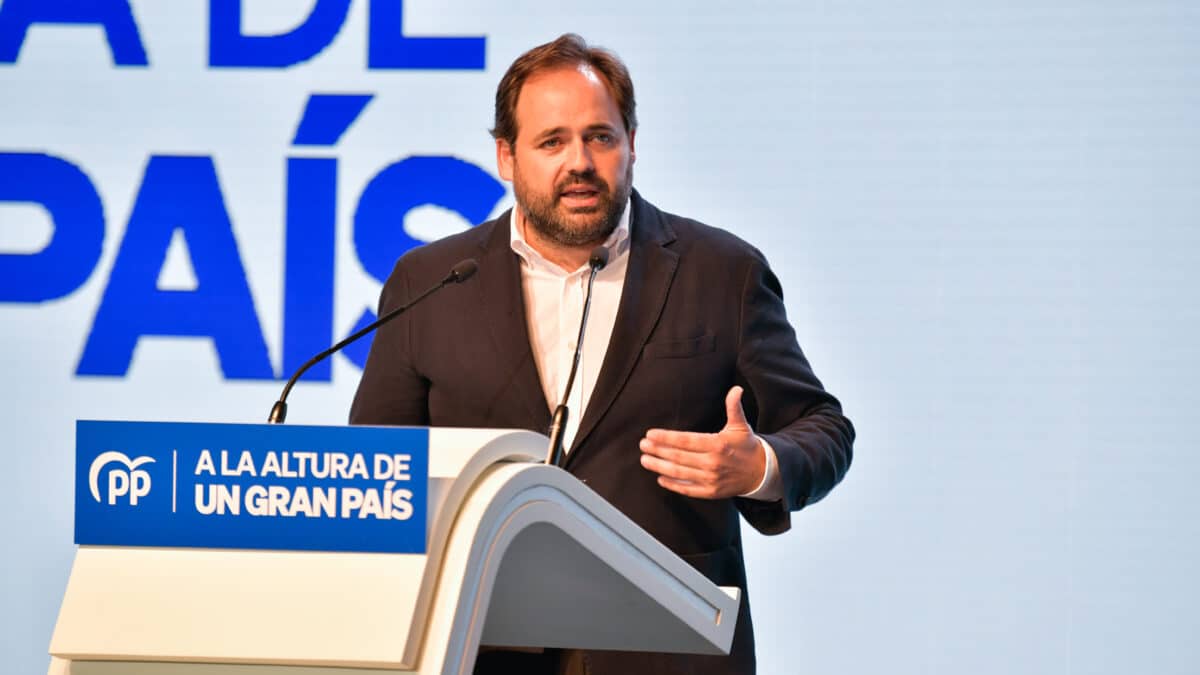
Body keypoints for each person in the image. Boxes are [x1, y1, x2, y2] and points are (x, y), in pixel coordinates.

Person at [350, 33, 854, 675]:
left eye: (601, 137)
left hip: (667, 651)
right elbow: (377, 465)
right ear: (506, 156)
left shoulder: (721, 272)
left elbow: (825, 429)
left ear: (632, 144)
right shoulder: (432, 280)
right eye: (552, 141)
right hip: (481, 644)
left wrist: (760, 466)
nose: (580, 162)